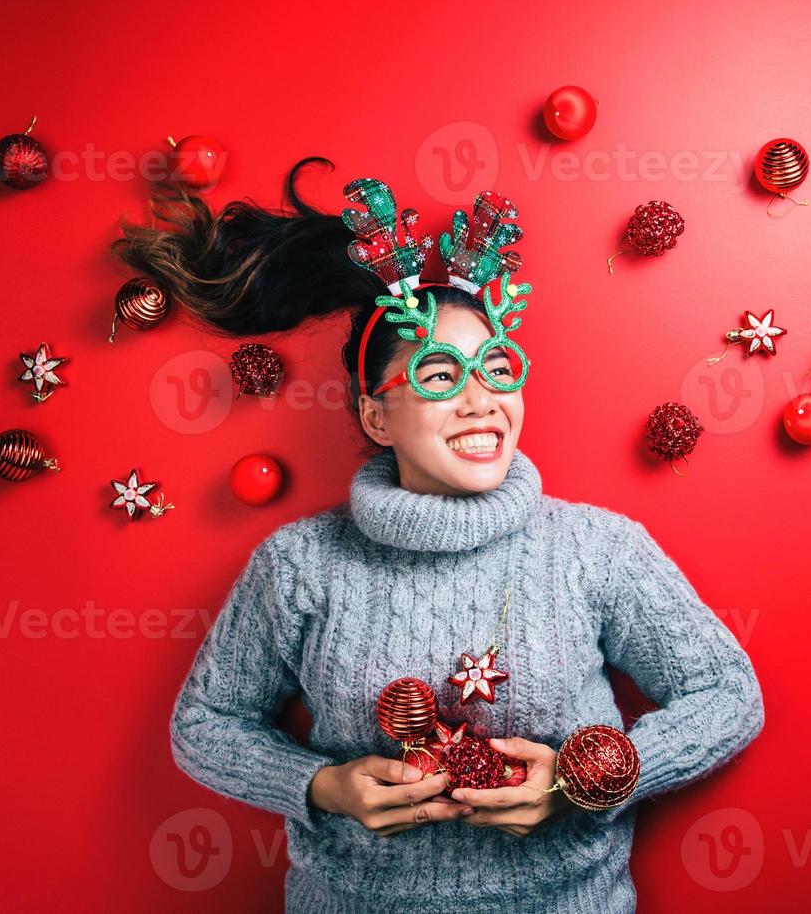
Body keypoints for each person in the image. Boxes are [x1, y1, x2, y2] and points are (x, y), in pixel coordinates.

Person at [113, 159, 765, 912]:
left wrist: (579, 783)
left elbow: (727, 694)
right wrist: (320, 787)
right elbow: (205, 724)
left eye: (495, 368)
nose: (480, 401)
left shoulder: (598, 549)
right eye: (437, 376)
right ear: (375, 416)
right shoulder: (300, 564)